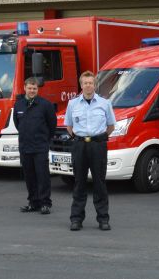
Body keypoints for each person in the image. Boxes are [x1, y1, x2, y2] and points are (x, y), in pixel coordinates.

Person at [65, 71, 116, 231]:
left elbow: (111, 126)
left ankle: (103, 219)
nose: (88, 85)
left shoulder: (104, 103)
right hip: (80, 146)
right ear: (81, 85)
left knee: (99, 182)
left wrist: (99, 139)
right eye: (85, 83)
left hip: (97, 146)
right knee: (79, 182)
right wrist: (79, 138)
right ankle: (76, 219)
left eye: (91, 83)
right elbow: (69, 125)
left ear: (95, 85)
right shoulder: (72, 104)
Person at [13, 77, 57, 214]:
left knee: (42, 176)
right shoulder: (19, 105)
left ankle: (45, 203)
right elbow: (17, 124)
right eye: (30, 88)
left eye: (35, 88)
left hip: (40, 147)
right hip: (25, 147)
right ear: (24, 88)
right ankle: (33, 202)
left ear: (38, 89)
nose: (32, 91)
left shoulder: (46, 105)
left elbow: (52, 125)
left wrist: (44, 140)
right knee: (29, 177)